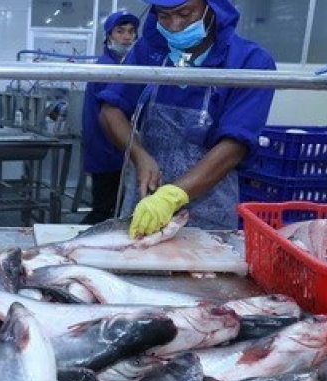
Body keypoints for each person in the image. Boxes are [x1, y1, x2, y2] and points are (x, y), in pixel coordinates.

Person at [97, 0, 276, 235]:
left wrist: (172, 196)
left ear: (212, 9)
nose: (174, 26)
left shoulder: (249, 62)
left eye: (185, 14)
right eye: (164, 16)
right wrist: (139, 156)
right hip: (145, 200)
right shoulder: (150, 51)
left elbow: (236, 145)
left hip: (209, 211)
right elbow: (110, 111)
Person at [80, 9, 140, 225]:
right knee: (104, 211)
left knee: (112, 207)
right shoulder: (109, 68)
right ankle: (77, 239)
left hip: (115, 150)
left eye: (131, 31)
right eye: (120, 31)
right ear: (109, 36)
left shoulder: (124, 65)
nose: (127, 36)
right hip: (107, 149)